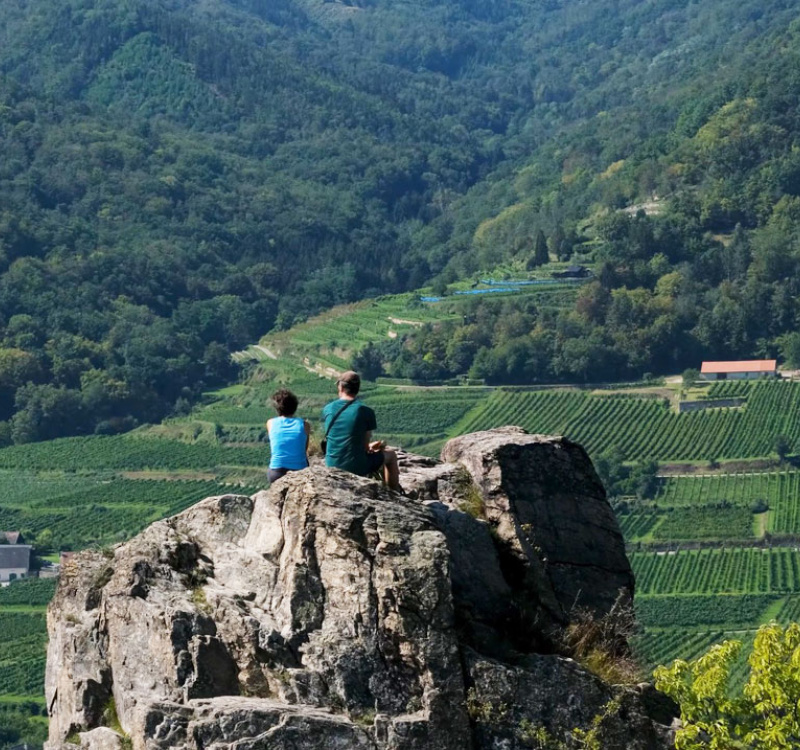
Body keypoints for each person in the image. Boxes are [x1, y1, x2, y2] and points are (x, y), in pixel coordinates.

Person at [322, 371, 401, 491]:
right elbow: (364, 447)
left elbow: (338, 437)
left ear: (341, 387)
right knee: (391, 455)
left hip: (331, 463)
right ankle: (394, 494)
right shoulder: (365, 411)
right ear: (357, 389)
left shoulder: (328, 409)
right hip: (355, 467)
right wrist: (371, 446)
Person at [266, 388, 310, 483]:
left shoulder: (270, 423)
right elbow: (304, 449)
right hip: (299, 471)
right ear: (295, 406)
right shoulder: (305, 425)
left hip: (276, 473)